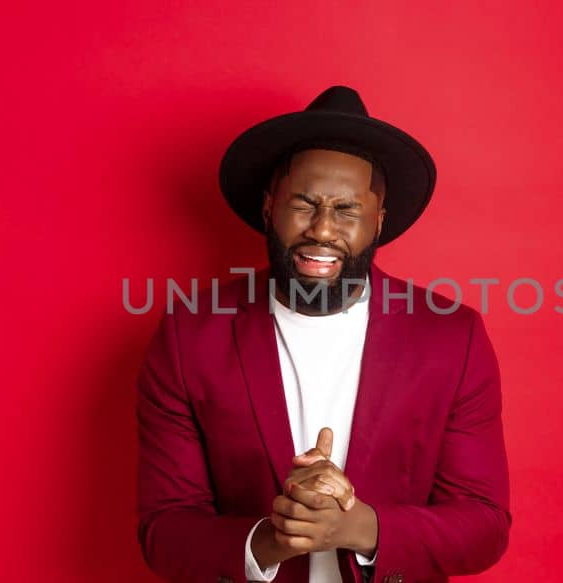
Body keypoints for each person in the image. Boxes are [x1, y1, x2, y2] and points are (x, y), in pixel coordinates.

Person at [135, 86, 510, 583]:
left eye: (348, 210)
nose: (323, 230)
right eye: (304, 205)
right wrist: (274, 536)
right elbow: (163, 530)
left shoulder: (451, 337)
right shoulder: (189, 339)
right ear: (270, 208)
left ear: (379, 220)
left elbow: (485, 523)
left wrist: (359, 528)